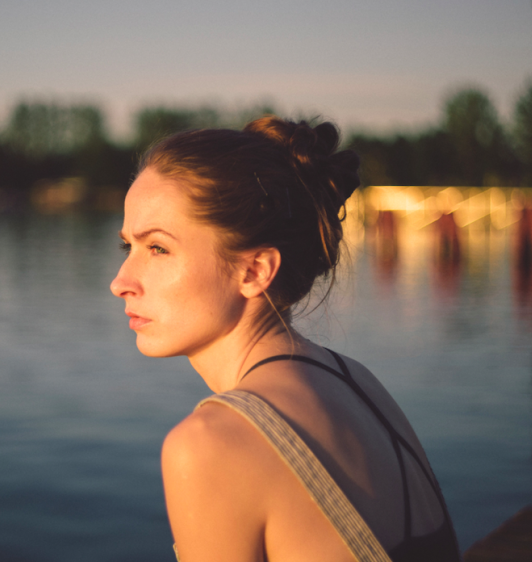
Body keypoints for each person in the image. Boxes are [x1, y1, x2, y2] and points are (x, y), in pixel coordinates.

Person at [110, 116, 461, 562]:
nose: (120, 281)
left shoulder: (210, 444)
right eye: (128, 247)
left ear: (255, 271)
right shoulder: (356, 381)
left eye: (157, 248)